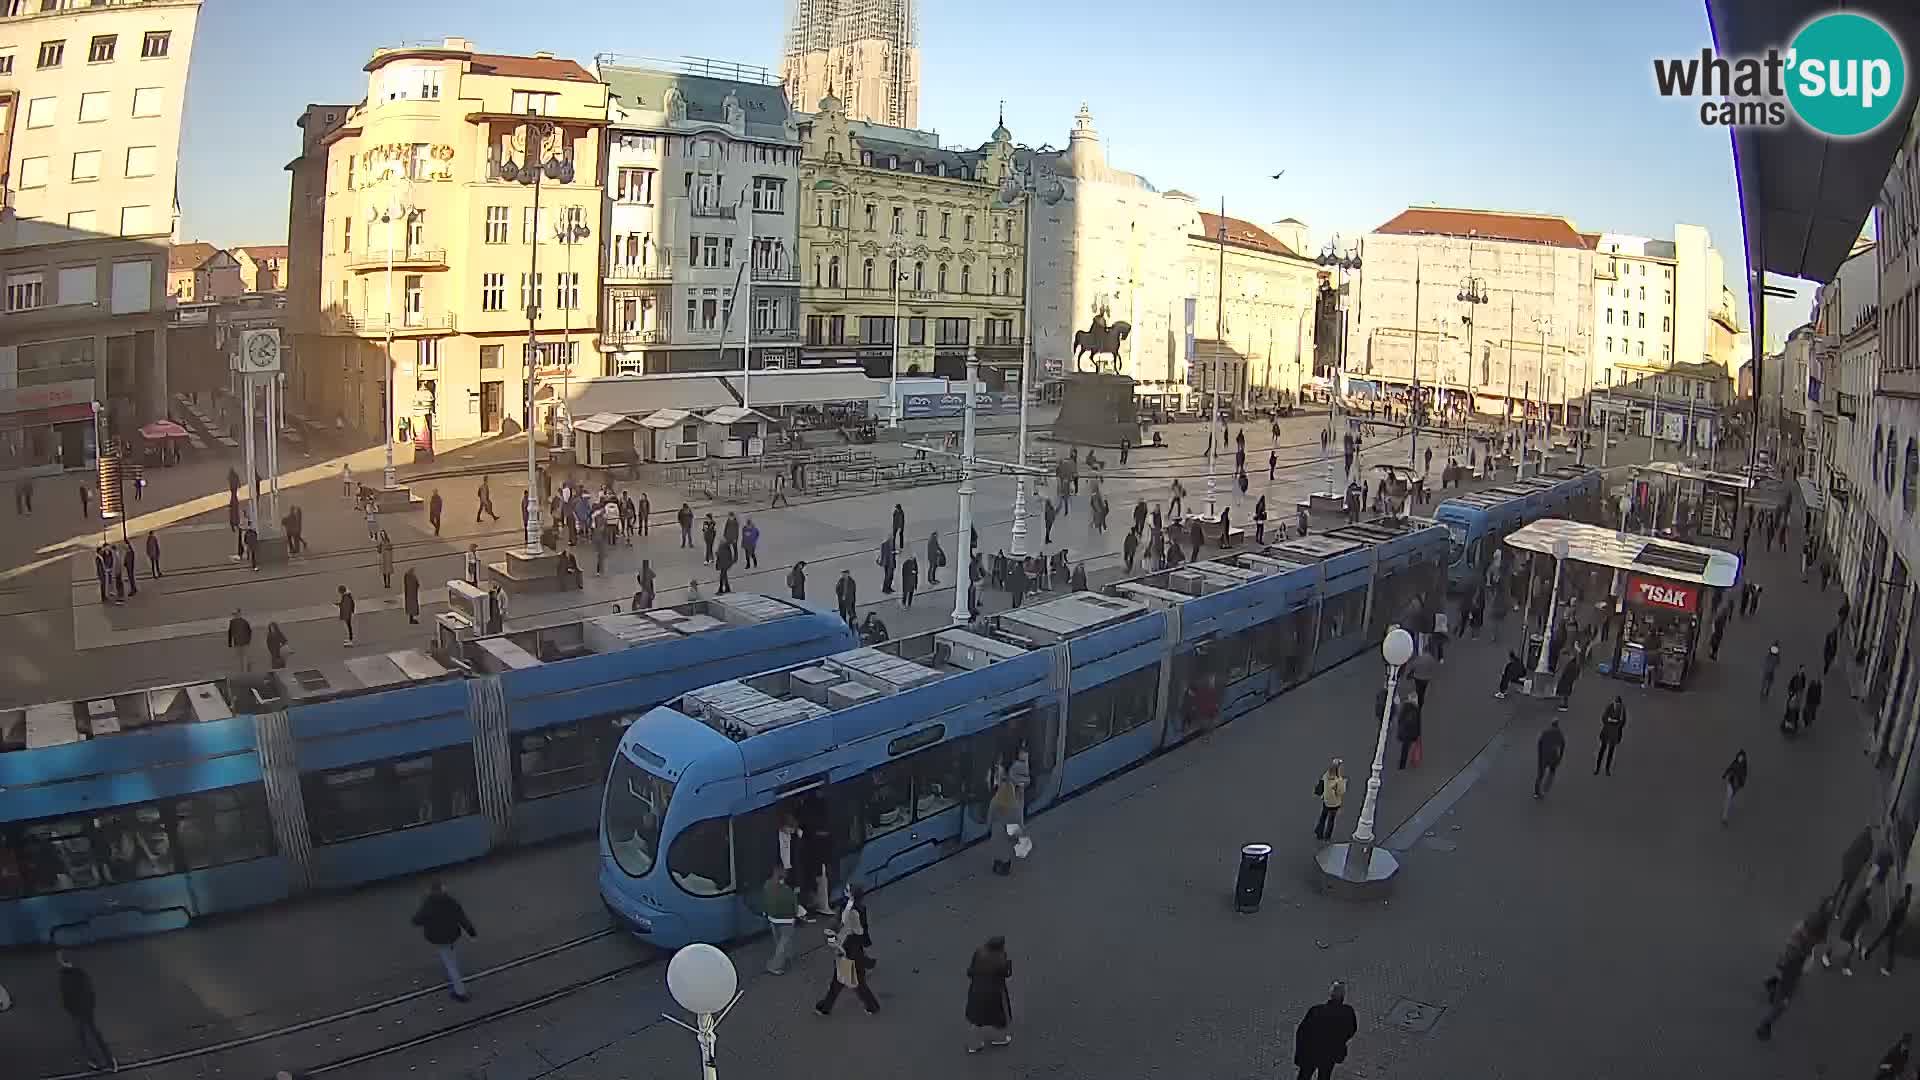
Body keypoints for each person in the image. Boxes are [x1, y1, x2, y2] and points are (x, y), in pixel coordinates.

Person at [411, 880, 478, 1002]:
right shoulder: (451, 901)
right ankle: (455, 980)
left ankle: (460, 992)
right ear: (443, 889)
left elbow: (416, 920)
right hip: (452, 935)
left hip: (437, 938)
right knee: (451, 956)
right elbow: (462, 918)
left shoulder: (428, 904)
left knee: (450, 964)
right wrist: (472, 933)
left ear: (431, 891)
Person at [58, 951, 113, 1072]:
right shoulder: (80, 973)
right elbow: (90, 991)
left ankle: (95, 1061)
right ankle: (109, 1060)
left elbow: (66, 996)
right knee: (94, 1034)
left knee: (83, 1037)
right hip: (86, 1009)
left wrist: (70, 1009)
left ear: (63, 961)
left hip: (77, 1011)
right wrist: (90, 1006)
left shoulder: (64, 977)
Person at [1293, 981, 1358, 1080]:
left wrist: (1300, 1055)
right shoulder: (1347, 1012)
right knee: (1324, 1076)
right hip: (1330, 1053)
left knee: (1304, 1076)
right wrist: (1339, 1042)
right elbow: (1351, 1029)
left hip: (1311, 1052)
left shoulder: (1316, 1011)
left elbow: (1302, 1033)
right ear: (1343, 996)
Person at [965, 936, 1014, 1053]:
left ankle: (973, 1045)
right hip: (994, 992)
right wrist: (1009, 964)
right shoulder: (1001, 958)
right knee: (998, 1016)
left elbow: (970, 972)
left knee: (976, 1018)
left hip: (976, 990)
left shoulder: (979, 952)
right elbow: (1006, 974)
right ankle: (999, 1039)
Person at [1861, 883, 1913, 975]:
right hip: (1892, 926)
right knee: (1883, 941)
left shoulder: (1905, 903)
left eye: (1906, 890)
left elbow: (1900, 916)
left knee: (1889, 947)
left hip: (1893, 927)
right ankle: (1868, 953)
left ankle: (1887, 968)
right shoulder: (1905, 901)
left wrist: (1897, 926)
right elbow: (1900, 915)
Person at [763, 870, 798, 975]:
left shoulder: (768, 886)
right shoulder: (788, 890)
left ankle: (786, 958)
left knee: (778, 939)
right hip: (786, 919)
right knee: (783, 942)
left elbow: (765, 901)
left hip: (772, 918)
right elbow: (794, 905)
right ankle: (775, 965)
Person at [1314, 759, 1347, 840]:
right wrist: (1344, 782)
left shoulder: (1326, 775)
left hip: (1326, 801)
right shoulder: (1338, 780)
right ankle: (1327, 836)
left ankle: (1319, 832)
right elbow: (1340, 792)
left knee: (1323, 816)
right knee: (1331, 820)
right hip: (1334, 803)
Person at [1534, 719, 1566, 799]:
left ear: (1552, 724)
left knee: (1540, 775)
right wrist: (1560, 757)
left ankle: (1536, 792)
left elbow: (1539, 743)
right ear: (1557, 725)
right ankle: (1546, 788)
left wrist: (1540, 754)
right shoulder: (1559, 733)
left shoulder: (1545, 732)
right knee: (1552, 771)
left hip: (1543, 756)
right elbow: (1562, 745)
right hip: (1553, 756)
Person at [1595, 696, 1626, 775]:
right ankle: (1597, 768)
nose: (1617, 705)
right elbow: (1604, 717)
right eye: (1616, 704)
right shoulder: (1610, 707)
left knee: (1610, 752)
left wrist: (1616, 722)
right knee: (1602, 750)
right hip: (1607, 731)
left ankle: (1607, 769)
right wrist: (1609, 720)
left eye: (1618, 704)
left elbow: (1623, 722)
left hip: (1614, 733)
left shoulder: (1622, 710)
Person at [1720, 750, 1748, 824]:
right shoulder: (1735, 763)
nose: (1740, 758)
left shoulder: (1744, 767)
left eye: (1741, 757)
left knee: (1730, 798)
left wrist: (1742, 783)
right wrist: (1725, 775)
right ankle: (1724, 817)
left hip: (1737, 786)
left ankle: (1725, 807)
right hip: (1730, 783)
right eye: (1739, 757)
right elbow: (1730, 768)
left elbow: (1744, 775)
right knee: (1729, 798)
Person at [1395, 692, 1421, 769]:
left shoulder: (1406, 706)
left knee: (1406, 748)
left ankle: (1404, 763)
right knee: (1406, 749)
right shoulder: (1413, 708)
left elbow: (1400, 718)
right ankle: (1403, 764)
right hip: (1409, 732)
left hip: (1405, 731)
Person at [227, 609, 253, 673]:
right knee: (241, 657)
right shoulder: (234, 622)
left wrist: (248, 640)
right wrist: (230, 643)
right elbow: (230, 632)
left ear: (239, 614)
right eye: (234, 614)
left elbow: (249, 631)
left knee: (243, 657)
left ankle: (244, 670)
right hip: (239, 642)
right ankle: (245, 670)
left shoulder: (243, 622)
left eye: (236, 614)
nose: (235, 615)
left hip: (242, 642)